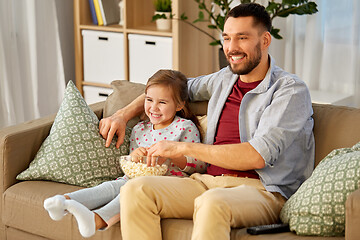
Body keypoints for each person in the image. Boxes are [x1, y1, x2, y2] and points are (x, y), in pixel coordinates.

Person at [99, 3, 315, 240]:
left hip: (263, 191)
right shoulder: (224, 78)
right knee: (135, 190)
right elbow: (169, 89)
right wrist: (122, 114)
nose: (232, 48)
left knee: (212, 202)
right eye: (227, 38)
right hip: (205, 182)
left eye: (242, 38)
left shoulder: (290, 90)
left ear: (265, 40)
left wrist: (182, 147)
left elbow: (256, 155)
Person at [43, 69, 206, 238]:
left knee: (128, 192)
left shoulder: (185, 127)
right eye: (149, 100)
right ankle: (64, 202)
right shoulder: (139, 129)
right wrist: (135, 157)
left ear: (179, 105)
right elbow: (132, 167)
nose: (154, 108)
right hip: (134, 179)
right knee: (111, 186)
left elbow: (200, 165)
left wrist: (172, 155)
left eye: (162, 103)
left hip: (167, 184)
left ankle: (96, 219)